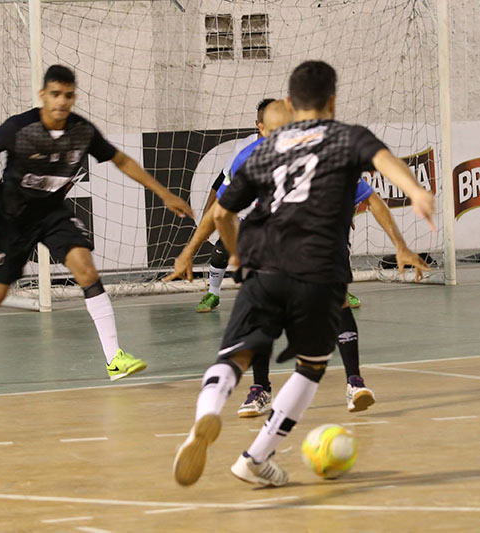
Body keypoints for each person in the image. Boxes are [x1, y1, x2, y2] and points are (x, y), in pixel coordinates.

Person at [172, 60, 434, 487]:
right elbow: (385, 163)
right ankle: (256, 457)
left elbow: (221, 213)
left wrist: (236, 256)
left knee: (236, 353)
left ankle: (205, 417)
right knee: (311, 366)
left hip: (263, 265)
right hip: (318, 271)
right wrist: (417, 192)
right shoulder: (348, 137)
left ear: (291, 104)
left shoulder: (263, 149)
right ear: (332, 100)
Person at [0, 65, 193, 386]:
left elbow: (121, 160)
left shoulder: (82, 131)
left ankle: (114, 358)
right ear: (43, 95)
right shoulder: (19, 128)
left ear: (74, 97)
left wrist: (164, 193)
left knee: (85, 267)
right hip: (14, 220)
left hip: (53, 213)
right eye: (55, 94)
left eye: (68, 95)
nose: (61, 102)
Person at [195, 98, 275, 313]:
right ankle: (213, 294)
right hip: (247, 212)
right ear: (258, 123)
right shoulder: (244, 148)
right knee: (220, 252)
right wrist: (206, 214)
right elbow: (222, 181)